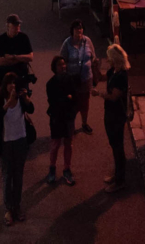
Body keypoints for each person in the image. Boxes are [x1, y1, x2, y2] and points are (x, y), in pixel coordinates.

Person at [0, 72, 34, 226]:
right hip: (6, 144)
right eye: (9, 83)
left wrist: (26, 98)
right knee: (7, 177)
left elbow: (31, 109)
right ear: (4, 86)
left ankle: (16, 207)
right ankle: (8, 209)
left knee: (18, 177)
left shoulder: (20, 100)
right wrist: (8, 102)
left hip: (21, 141)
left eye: (14, 83)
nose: (12, 85)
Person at [96, 43, 130, 193]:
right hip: (110, 113)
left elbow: (114, 97)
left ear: (115, 58)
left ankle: (120, 180)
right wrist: (94, 67)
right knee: (114, 144)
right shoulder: (114, 71)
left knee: (118, 147)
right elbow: (101, 78)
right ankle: (117, 175)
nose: (107, 60)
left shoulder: (121, 75)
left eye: (109, 57)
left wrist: (99, 94)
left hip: (117, 115)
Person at [60, 19, 98, 134]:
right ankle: (70, 124)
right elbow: (62, 61)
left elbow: (93, 58)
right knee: (73, 103)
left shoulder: (88, 41)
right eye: (76, 28)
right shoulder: (67, 43)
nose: (79, 30)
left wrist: (95, 74)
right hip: (72, 80)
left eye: (80, 28)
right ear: (72, 30)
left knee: (85, 102)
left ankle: (84, 123)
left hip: (86, 79)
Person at [45, 55, 78, 186]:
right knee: (55, 145)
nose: (63, 66)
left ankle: (66, 169)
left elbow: (74, 97)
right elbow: (53, 101)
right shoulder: (50, 83)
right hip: (57, 117)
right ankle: (52, 168)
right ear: (54, 67)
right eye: (60, 65)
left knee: (68, 144)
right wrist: (67, 98)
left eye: (64, 64)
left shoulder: (70, 79)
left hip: (68, 116)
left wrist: (67, 99)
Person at [0, 14, 34, 88]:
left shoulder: (24, 38)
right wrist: (21, 59)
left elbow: (30, 57)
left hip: (21, 74)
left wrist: (13, 57)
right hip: (7, 76)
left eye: (18, 26)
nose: (17, 28)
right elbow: (1, 61)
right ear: (8, 26)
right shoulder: (1, 39)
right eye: (14, 26)